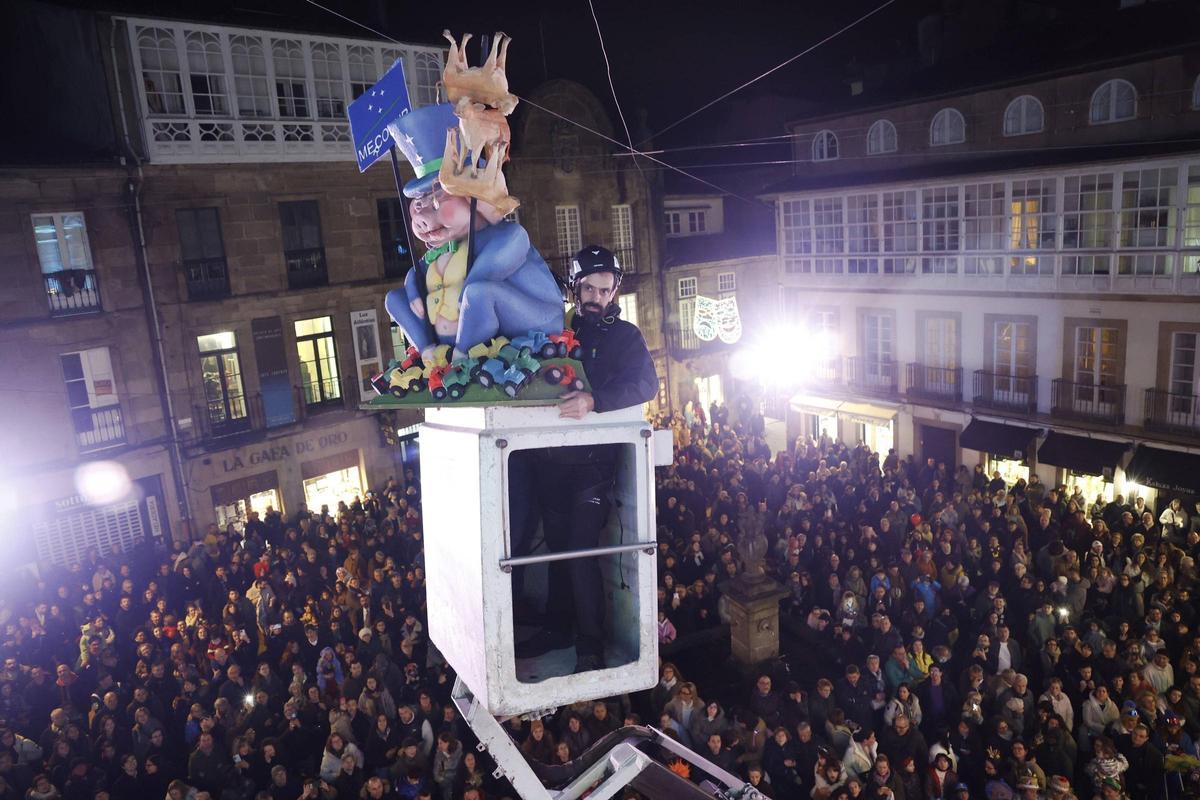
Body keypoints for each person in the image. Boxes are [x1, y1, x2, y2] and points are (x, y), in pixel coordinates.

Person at [512, 244, 658, 672]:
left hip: (594, 465)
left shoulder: (626, 335)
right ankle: (558, 627)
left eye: (604, 290)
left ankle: (590, 645)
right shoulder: (554, 327)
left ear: (614, 292)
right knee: (557, 546)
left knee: (579, 548)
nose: (597, 297)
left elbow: (646, 384)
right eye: (589, 289)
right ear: (575, 289)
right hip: (549, 461)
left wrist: (595, 401)